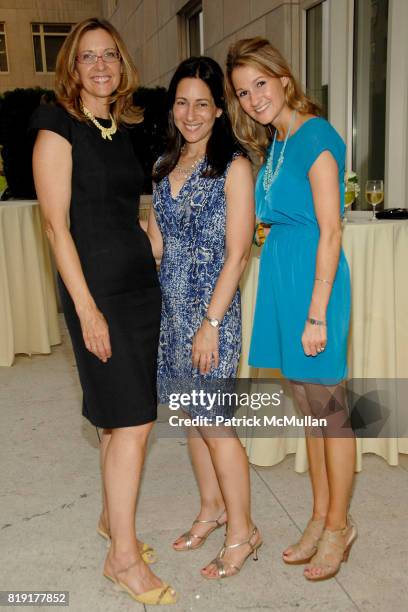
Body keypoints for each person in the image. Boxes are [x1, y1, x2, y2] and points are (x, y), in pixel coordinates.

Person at [30, 18, 176, 605]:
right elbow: (55, 226)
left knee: (121, 420)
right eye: (87, 56)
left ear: (121, 65)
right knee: (136, 421)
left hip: (139, 285)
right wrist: (87, 310)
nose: (99, 65)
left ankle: (110, 523)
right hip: (98, 294)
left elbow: (123, 210)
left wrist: (157, 239)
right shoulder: (55, 124)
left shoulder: (124, 127)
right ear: (72, 66)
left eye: (109, 55)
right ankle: (121, 558)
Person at [225, 37, 357, 581]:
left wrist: (318, 313)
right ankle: (320, 516)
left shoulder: (316, 135)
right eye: (242, 91)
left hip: (314, 286)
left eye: (261, 83)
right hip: (283, 280)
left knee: (330, 413)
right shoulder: (277, 143)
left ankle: (338, 525)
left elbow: (331, 229)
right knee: (307, 409)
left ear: (283, 78)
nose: (254, 97)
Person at [147, 56, 262, 579]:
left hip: (211, 316)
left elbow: (238, 253)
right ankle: (211, 509)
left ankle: (244, 531)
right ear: (172, 108)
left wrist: (210, 324)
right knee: (191, 422)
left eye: (202, 103)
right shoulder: (162, 166)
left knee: (215, 426)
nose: (190, 113)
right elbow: (156, 244)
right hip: (171, 314)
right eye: (181, 102)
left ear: (219, 110)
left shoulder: (234, 166)